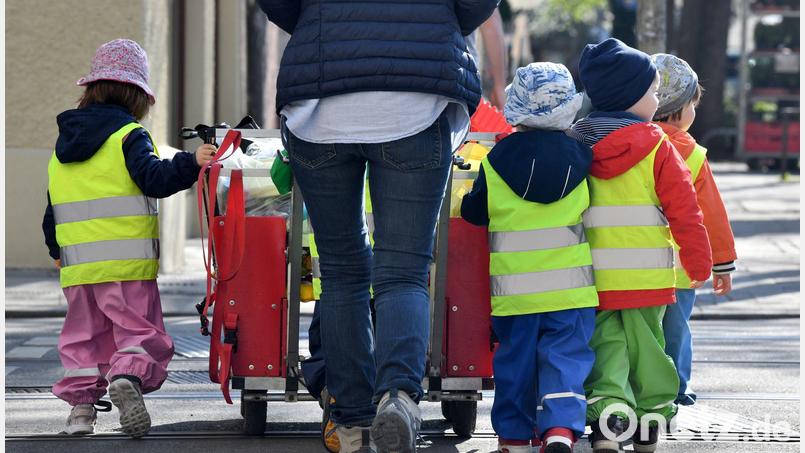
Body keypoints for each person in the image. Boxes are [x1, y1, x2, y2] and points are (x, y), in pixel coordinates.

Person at [256, 2, 498, 452]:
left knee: (342, 271)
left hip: (319, 103)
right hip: (416, 102)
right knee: (403, 271)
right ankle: (399, 397)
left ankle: (350, 419)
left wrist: (317, 20)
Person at [43, 39, 216, 438]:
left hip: (77, 267)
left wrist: (56, 250)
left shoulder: (63, 145)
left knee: (83, 341)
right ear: (137, 95)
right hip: (126, 264)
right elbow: (153, 178)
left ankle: (82, 413)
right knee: (138, 332)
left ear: (91, 89)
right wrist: (192, 162)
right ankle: (127, 377)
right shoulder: (128, 135)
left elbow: (52, 206)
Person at [568, 38, 712, 453]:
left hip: (591, 280)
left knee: (606, 353)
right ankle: (649, 424)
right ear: (633, 98)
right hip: (648, 280)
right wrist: (698, 262)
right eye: (651, 91)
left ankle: (608, 424)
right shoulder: (658, 147)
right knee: (650, 352)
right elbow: (686, 211)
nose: (656, 98)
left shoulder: (577, 144)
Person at [461, 62, 599, 453]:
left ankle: (514, 437)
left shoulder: (497, 160)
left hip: (515, 293)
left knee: (515, 365)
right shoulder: (583, 159)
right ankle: (560, 430)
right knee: (565, 360)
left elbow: (475, 213)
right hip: (571, 291)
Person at [652, 53, 737, 406]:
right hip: (681, 268)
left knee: (640, 331)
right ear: (679, 108)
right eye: (693, 105)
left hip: (630, 265)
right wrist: (722, 263)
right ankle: (676, 388)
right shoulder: (692, 154)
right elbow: (711, 215)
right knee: (676, 331)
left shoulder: (629, 142)